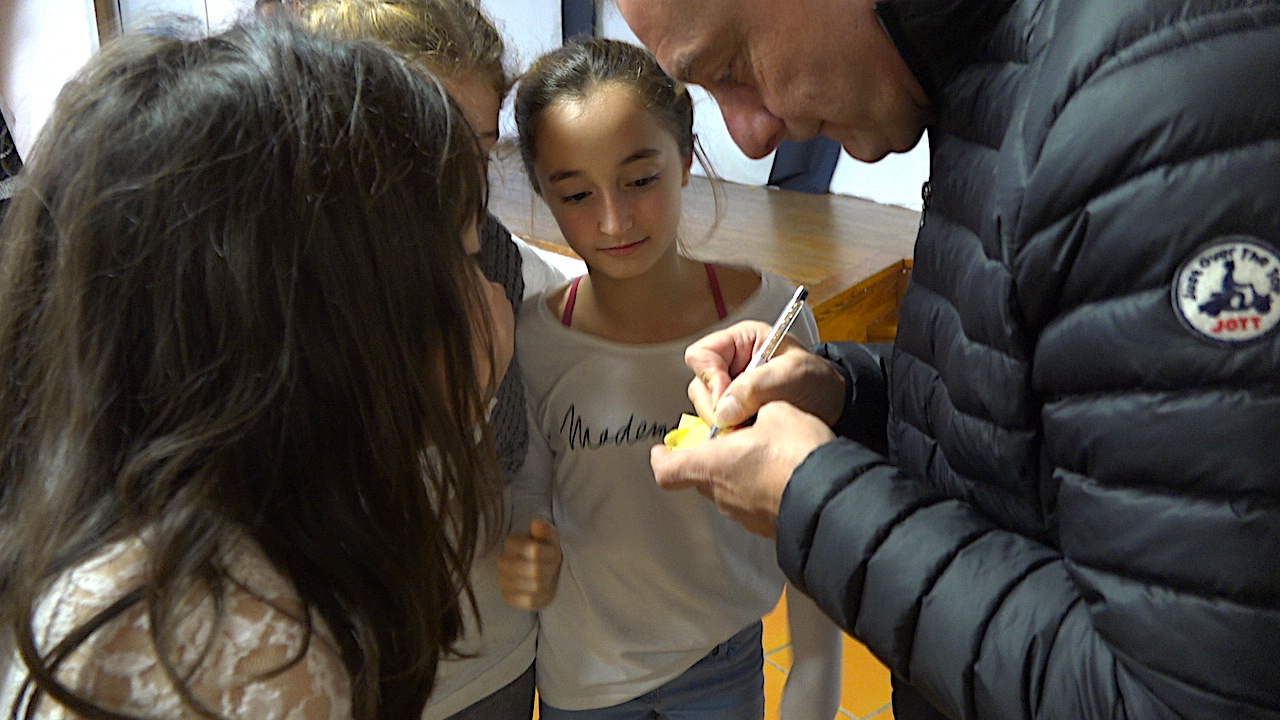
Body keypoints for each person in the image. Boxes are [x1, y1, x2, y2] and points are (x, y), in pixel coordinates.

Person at [614, 0, 1280, 718]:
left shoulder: (1150, 113)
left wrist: (815, 498)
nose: (750, 138)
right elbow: (1050, 413)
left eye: (732, 68)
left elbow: (1176, 697)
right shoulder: (994, 76)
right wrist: (843, 397)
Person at [0, 19, 516, 720]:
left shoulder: (231, 532)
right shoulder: (247, 652)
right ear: (329, 311)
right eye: (462, 255)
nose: (484, 293)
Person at [497, 37, 843, 720]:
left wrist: (815, 670)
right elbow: (531, 495)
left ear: (685, 157)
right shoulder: (533, 339)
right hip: (583, 681)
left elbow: (808, 502)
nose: (613, 219)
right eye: (576, 193)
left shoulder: (768, 320)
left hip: (723, 664)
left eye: (640, 180)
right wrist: (524, 550)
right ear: (542, 192)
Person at [290, 2, 574, 718]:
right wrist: (456, 406)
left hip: (494, 662)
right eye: (420, 147)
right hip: (344, 684)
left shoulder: (517, 282)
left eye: (478, 149)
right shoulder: (280, 306)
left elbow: (540, 467)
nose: (459, 183)